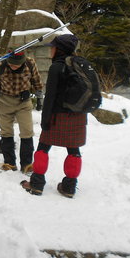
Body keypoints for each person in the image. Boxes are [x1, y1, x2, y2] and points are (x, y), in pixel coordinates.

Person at [21, 34, 85, 198]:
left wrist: (45, 120)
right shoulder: (81, 64)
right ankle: (69, 187)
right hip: (77, 115)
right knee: (74, 150)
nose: (50, 49)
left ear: (59, 49)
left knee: (43, 148)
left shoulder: (57, 67)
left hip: (57, 115)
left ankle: (36, 184)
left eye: (52, 47)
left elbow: (50, 96)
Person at [0, 50, 43, 173]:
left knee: (27, 131)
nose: (13, 66)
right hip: (5, 101)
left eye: (16, 64)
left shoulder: (30, 63)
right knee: (6, 131)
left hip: (23, 102)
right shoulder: (0, 65)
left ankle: (26, 164)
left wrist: (39, 97)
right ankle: (9, 162)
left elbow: (37, 81)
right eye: (11, 64)